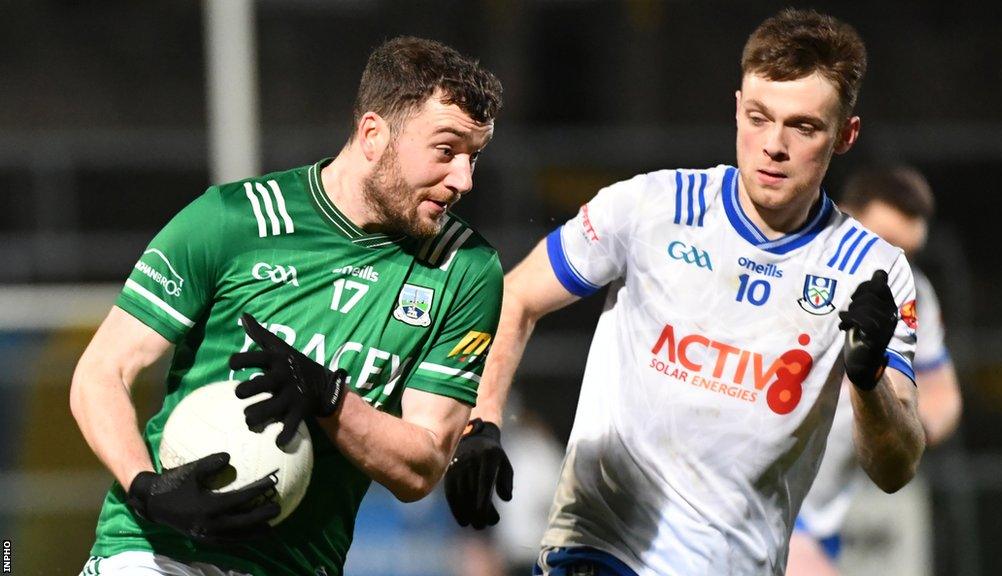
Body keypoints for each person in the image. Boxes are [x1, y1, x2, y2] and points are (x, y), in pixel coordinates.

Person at [442, 9, 926, 575]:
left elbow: (895, 467)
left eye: (803, 127)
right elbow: (515, 297)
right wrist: (482, 421)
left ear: (846, 135)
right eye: (758, 116)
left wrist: (867, 380)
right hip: (602, 547)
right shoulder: (652, 207)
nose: (773, 145)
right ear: (736, 108)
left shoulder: (871, 270)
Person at [70, 36, 504, 576]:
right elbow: (101, 372)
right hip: (157, 551)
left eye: (474, 156)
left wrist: (331, 400)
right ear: (373, 134)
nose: (463, 179)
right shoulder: (233, 219)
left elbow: (420, 468)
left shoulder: (464, 270)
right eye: (445, 150)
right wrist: (144, 486)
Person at [786, 165, 963, 575]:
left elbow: (942, 396)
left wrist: (899, 432)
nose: (896, 263)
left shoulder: (913, 293)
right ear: (845, 214)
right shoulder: (795, 269)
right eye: (886, 243)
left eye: (909, 253)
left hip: (823, 513)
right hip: (762, 498)